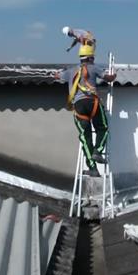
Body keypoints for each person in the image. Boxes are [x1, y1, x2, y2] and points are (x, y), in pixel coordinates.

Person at [54, 27, 116, 177]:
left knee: (85, 137)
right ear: (91, 58)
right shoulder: (94, 68)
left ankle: (93, 168)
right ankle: (98, 151)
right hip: (92, 102)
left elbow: (57, 76)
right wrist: (113, 75)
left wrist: (56, 74)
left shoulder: (70, 71)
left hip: (79, 106)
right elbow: (108, 77)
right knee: (102, 128)